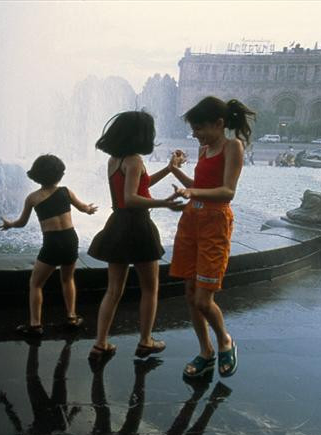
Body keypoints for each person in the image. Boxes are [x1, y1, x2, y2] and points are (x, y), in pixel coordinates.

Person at [87, 111, 185, 365]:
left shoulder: (115, 160)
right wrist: (165, 203)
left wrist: (169, 169)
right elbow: (132, 198)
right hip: (138, 226)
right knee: (150, 288)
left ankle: (100, 344)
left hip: (117, 225)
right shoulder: (135, 159)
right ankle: (145, 340)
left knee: (113, 290)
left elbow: (141, 184)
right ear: (141, 135)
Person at [168, 96, 255, 378]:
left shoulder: (233, 147)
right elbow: (199, 186)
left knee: (205, 299)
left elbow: (227, 191)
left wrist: (193, 193)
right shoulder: (205, 149)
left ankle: (224, 341)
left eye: (199, 128)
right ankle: (205, 351)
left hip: (215, 223)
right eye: (194, 129)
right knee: (191, 294)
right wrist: (175, 171)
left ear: (219, 123)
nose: (195, 134)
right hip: (191, 221)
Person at [0, 154, 97, 336]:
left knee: (36, 284)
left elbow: (22, 223)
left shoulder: (33, 198)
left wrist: (9, 224)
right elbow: (84, 208)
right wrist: (90, 210)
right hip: (70, 239)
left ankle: (35, 325)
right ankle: (72, 317)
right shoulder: (66, 192)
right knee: (67, 279)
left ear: (36, 174)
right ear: (59, 174)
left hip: (52, 242)